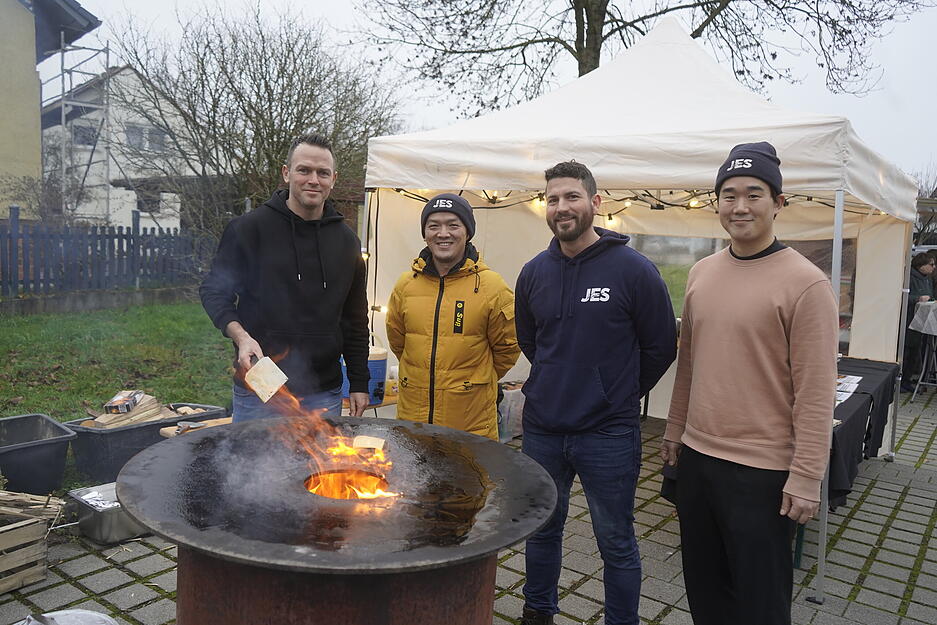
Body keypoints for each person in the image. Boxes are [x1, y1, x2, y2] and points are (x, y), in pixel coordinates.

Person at [661, 142, 838, 625]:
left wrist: (806, 477)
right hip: (697, 461)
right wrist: (675, 432)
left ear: (778, 203)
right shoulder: (701, 274)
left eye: (754, 194)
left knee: (759, 601)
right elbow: (690, 365)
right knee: (705, 589)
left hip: (762, 472)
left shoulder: (806, 284)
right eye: (729, 194)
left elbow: (817, 393)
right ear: (717, 202)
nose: (740, 206)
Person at [515, 161, 677, 625]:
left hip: (608, 433)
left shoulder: (634, 270)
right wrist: (555, 382)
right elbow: (533, 342)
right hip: (544, 430)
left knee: (616, 540)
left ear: (595, 203)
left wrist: (615, 392)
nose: (561, 207)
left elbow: (660, 345)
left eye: (571, 197)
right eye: (552, 199)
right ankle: (538, 612)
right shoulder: (533, 273)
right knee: (542, 531)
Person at [200, 133, 370, 421]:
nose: (313, 180)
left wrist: (359, 382)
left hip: (323, 391)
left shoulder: (347, 242)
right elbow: (214, 292)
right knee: (253, 467)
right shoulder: (248, 230)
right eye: (304, 170)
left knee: (318, 467)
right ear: (286, 172)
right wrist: (241, 336)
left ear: (334, 178)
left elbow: (355, 320)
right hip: (260, 387)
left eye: (322, 173)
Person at [385, 193, 521, 440]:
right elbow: (398, 342)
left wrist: (473, 381)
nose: (443, 233)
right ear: (425, 233)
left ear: (467, 232)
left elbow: (508, 348)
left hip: (471, 424)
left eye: (453, 225)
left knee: (469, 480)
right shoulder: (406, 285)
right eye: (433, 226)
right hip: (414, 421)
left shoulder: (492, 286)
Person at [901, 252, 936, 392]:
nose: (933, 267)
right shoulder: (909, 277)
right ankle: (902, 380)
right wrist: (917, 299)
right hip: (909, 319)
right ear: (921, 265)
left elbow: (930, 295)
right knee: (907, 351)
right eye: (931, 264)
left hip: (922, 321)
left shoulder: (928, 279)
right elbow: (902, 295)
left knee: (916, 351)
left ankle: (908, 379)